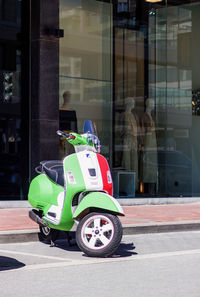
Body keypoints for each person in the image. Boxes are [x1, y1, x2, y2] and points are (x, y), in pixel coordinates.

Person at [121, 97, 140, 191]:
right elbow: (121, 129)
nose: (133, 104)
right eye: (132, 103)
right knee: (127, 160)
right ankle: (126, 186)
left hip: (134, 139)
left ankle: (134, 186)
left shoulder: (133, 115)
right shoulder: (124, 115)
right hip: (127, 138)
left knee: (134, 161)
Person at [140, 98, 158, 195]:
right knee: (147, 162)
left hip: (153, 140)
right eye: (151, 103)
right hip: (147, 140)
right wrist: (142, 143)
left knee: (152, 163)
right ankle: (144, 188)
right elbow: (142, 130)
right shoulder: (144, 116)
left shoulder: (153, 116)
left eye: (153, 104)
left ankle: (152, 187)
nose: (153, 105)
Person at [59, 91, 77, 158]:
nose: (68, 98)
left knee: (69, 152)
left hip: (70, 135)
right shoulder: (60, 110)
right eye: (66, 96)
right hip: (62, 135)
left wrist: (75, 136)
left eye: (69, 96)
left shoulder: (72, 111)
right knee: (62, 152)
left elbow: (75, 126)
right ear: (64, 97)